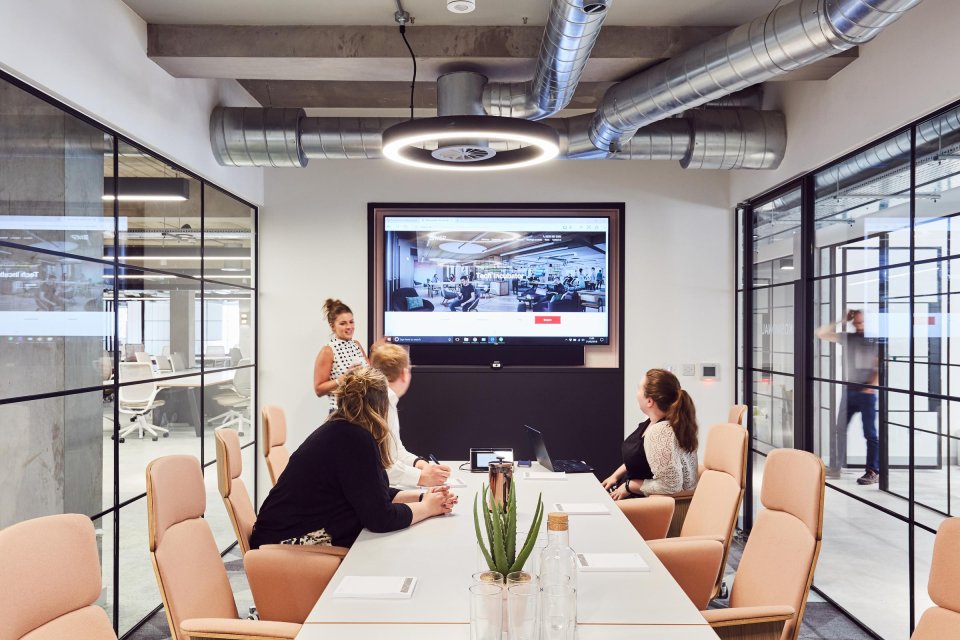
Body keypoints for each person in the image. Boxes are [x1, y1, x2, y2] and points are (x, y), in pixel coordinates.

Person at [249, 367, 457, 549]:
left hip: (277, 535)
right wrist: (428, 508)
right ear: (380, 406)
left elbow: (372, 494)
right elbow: (381, 519)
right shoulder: (354, 439)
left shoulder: (342, 431)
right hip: (285, 543)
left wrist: (422, 497)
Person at [602, 368, 699, 499]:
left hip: (643, 503)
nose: (637, 394)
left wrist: (629, 486)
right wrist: (615, 476)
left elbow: (670, 485)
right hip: (627, 491)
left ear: (649, 401)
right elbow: (638, 458)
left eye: (639, 389)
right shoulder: (652, 423)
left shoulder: (662, 432)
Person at [369, 343, 451, 487]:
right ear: (404, 374)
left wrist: (421, 464)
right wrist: (422, 477)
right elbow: (381, 465)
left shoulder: (383, 399)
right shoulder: (381, 403)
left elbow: (395, 451)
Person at [817, 309, 880, 485]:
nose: (859, 325)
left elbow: (880, 365)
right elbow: (821, 333)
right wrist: (841, 320)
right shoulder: (848, 338)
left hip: (866, 394)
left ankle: (873, 471)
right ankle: (835, 468)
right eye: (856, 322)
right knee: (839, 430)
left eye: (862, 322)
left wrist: (870, 386)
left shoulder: (875, 340)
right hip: (849, 391)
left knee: (870, 433)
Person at [314, 299, 368, 400]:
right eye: (343, 323)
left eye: (351, 322)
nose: (349, 327)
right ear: (332, 326)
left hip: (363, 407)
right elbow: (318, 390)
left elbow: (371, 373)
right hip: (341, 408)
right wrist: (341, 380)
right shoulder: (328, 351)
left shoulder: (356, 345)